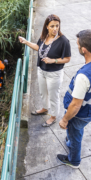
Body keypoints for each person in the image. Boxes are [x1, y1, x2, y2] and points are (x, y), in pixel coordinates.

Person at [19, 14, 71, 127]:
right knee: (43, 93)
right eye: (52, 26)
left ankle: (53, 116)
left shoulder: (63, 41)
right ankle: (44, 108)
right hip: (42, 70)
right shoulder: (44, 36)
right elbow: (39, 48)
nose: (55, 28)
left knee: (53, 96)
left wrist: (53, 61)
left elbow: (67, 58)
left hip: (54, 74)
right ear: (47, 26)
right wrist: (26, 42)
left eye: (57, 26)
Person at [58, 29, 91, 168]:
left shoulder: (84, 76)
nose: (76, 46)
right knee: (76, 131)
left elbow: (75, 106)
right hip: (88, 112)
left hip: (80, 114)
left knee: (75, 134)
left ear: (84, 49)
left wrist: (65, 119)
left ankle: (74, 161)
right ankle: (70, 140)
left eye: (77, 44)